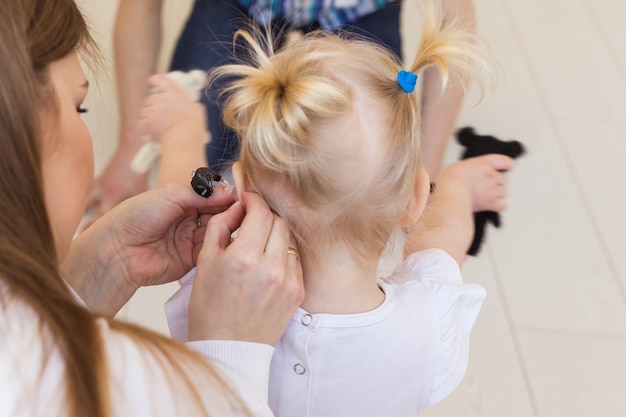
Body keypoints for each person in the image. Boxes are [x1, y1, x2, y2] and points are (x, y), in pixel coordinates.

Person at [159, 1, 515, 415]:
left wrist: (181, 129)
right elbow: (443, 237)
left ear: (243, 186)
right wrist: (458, 187)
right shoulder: (432, 320)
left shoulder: (219, 293)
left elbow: (178, 203)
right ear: (415, 197)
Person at [0, 1, 304, 416]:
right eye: (78, 107)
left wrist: (100, 269)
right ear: (16, 136)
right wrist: (231, 352)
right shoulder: (119, 381)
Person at [85, 0, 477, 222]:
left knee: (364, 158)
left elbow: (457, 25)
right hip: (241, 6)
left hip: (358, 9)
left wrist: (424, 176)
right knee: (200, 164)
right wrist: (132, 150)